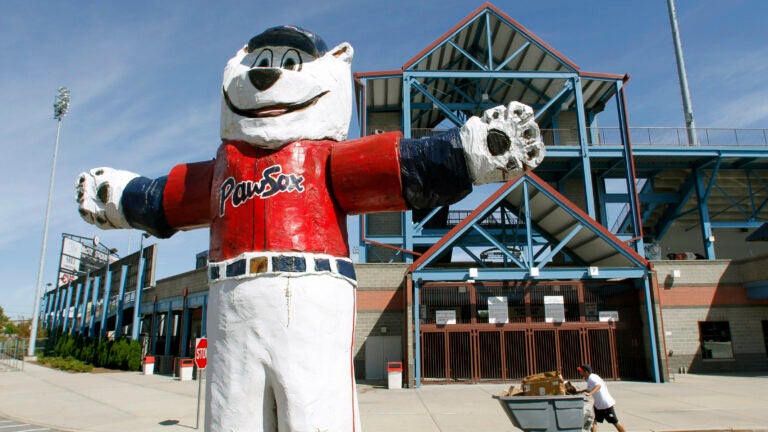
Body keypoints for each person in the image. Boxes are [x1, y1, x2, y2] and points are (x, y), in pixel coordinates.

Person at [577, 364, 626, 432]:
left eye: (581, 371)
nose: (579, 372)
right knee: (593, 421)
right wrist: (582, 391)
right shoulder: (591, 377)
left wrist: (590, 393)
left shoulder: (592, 378)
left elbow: (598, 386)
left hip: (605, 404)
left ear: (586, 372)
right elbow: (591, 388)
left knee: (615, 422)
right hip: (598, 405)